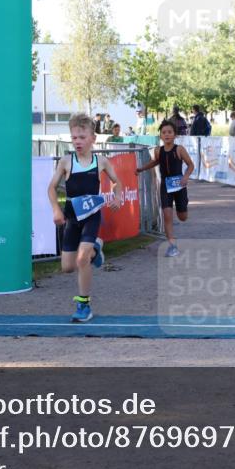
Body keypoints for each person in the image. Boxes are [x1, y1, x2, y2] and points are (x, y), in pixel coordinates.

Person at [47, 113, 124, 323]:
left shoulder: (101, 162)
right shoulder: (65, 161)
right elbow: (51, 188)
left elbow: (117, 182)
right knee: (67, 267)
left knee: (82, 259)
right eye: (74, 138)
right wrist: (56, 209)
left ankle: (84, 304)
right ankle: (96, 248)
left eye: (82, 137)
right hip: (72, 217)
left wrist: (117, 196)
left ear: (93, 138)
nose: (77, 142)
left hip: (91, 215)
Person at [136, 119, 195, 257]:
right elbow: (156, 161)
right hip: (165, 186)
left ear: (175, 135)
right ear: (160, 136)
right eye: (164, 132)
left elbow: (190, 165)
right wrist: (141, 168)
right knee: (167, 215)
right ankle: (172, 246)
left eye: (170, 132)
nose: (167, 135)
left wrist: (185, 177)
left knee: (182, 217)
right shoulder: (158, 150)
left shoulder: (179, 149)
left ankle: (184, 204)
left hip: (179, 186)